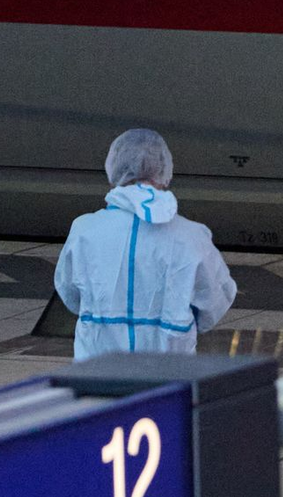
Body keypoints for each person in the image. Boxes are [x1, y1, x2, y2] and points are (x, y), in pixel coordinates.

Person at [54, 129, 237, 360]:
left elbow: (69, 293)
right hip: (169, 373)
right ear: (165, 169)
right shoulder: (192, 236)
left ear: (114, 167)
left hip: (96, 370)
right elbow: (215, 300)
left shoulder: (85, 230)